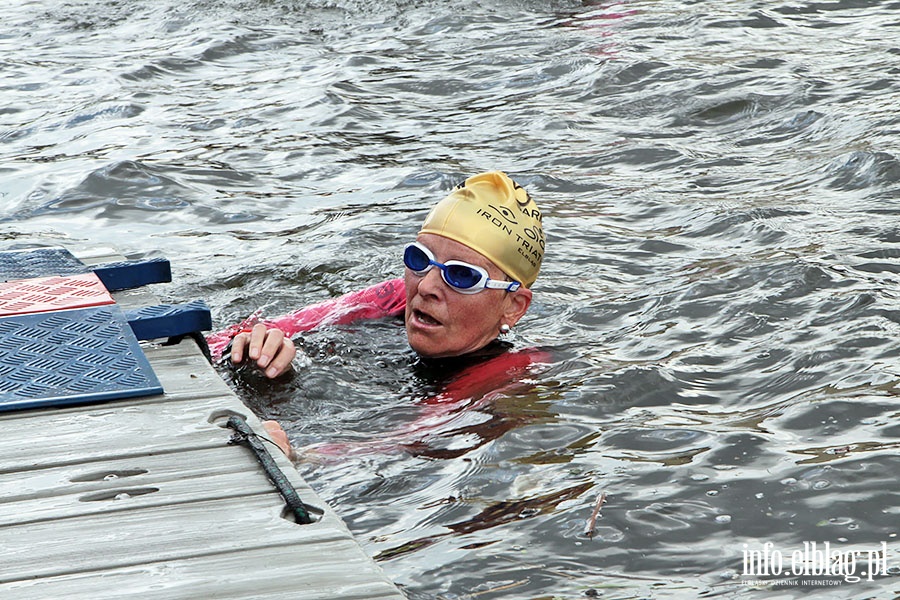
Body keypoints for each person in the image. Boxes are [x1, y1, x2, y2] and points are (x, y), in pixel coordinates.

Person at [208, 171, 546, 456]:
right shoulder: (395, 297)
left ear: (513, 306)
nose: (427, 285)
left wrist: (297, 457)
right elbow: (233, 336)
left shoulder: (507, 374)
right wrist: (253, 347)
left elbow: (398, 442)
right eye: (420, 259)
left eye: (461, 275)